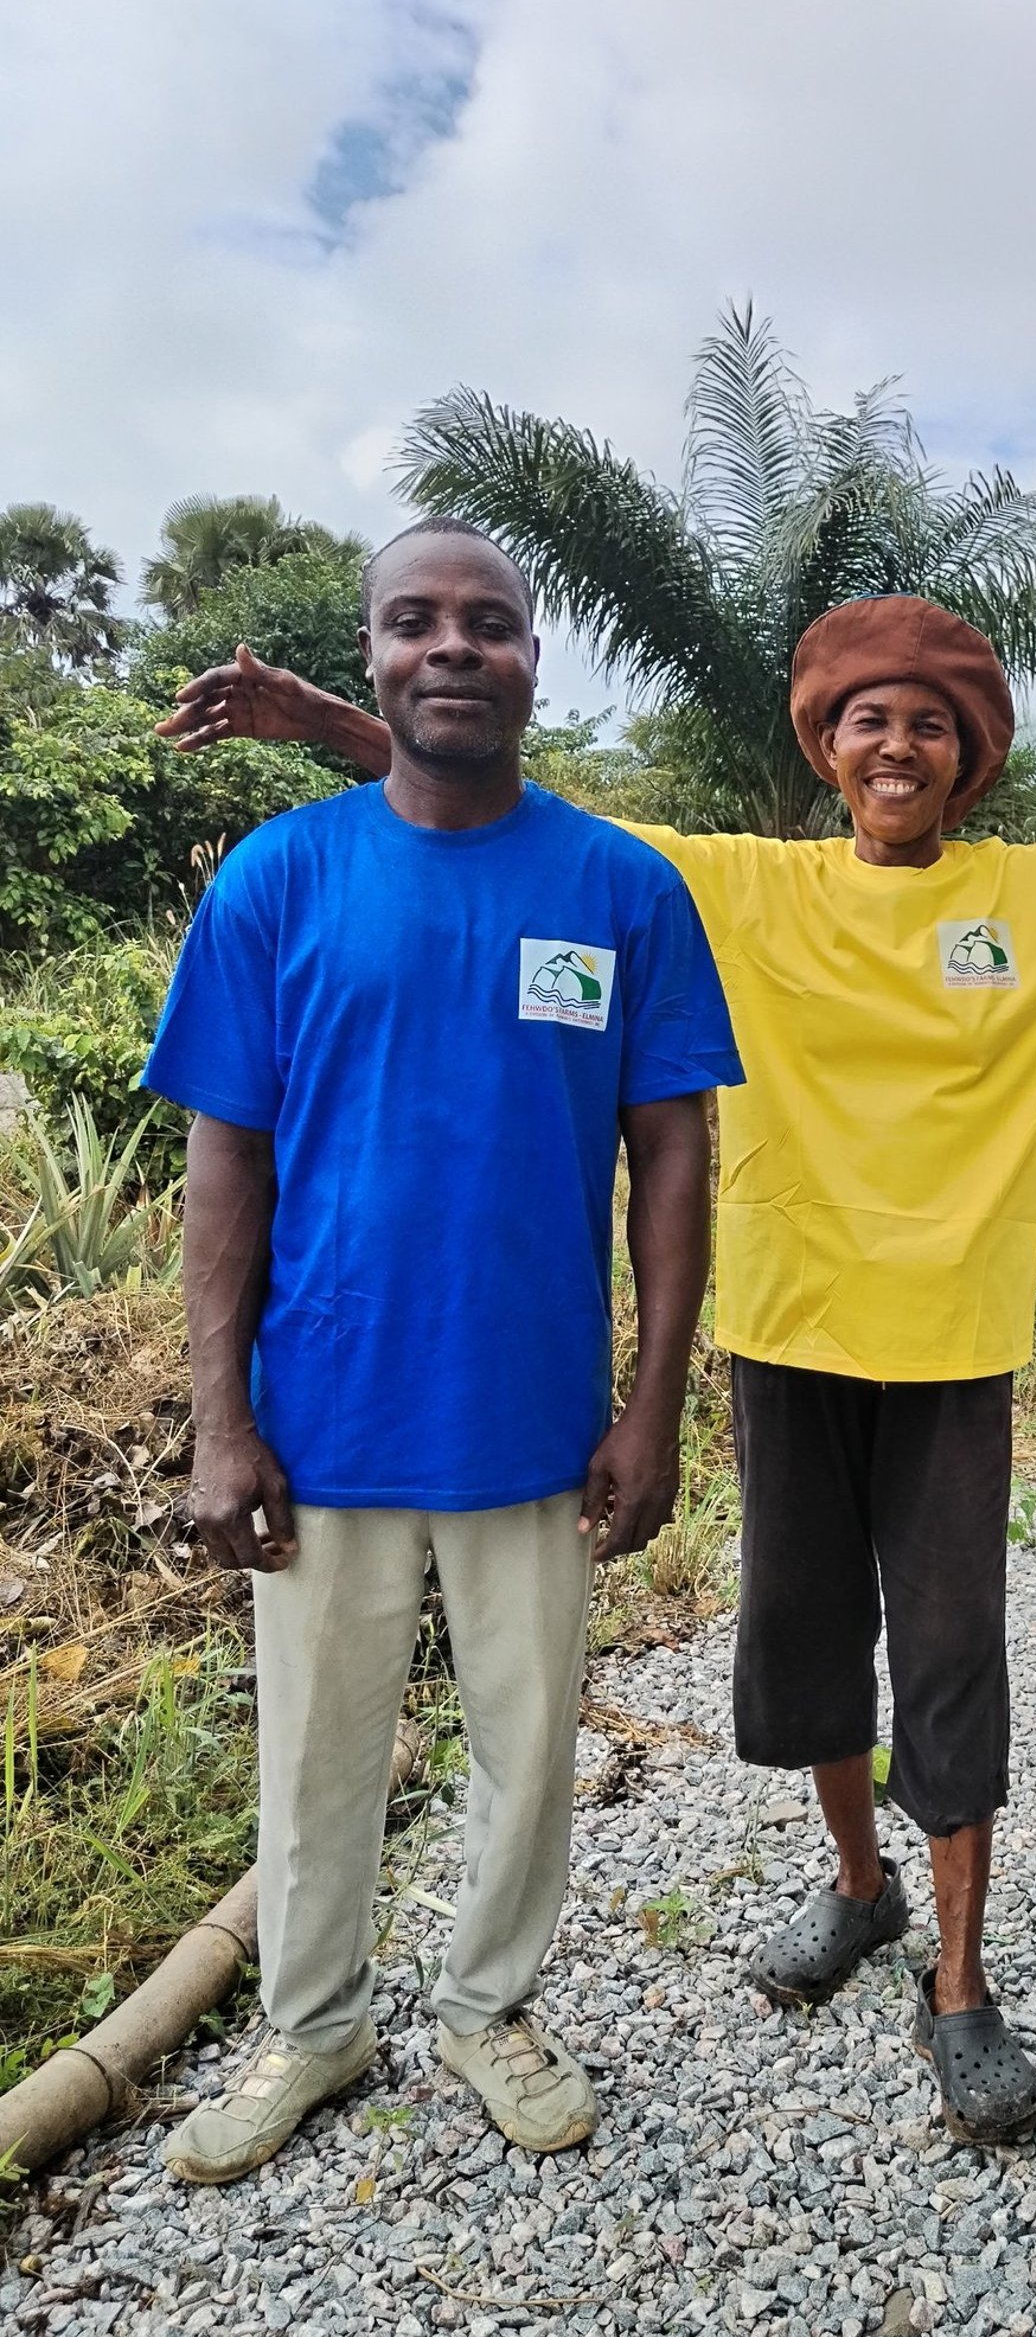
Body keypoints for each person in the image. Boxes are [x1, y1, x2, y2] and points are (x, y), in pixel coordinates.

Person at [161, 591, 1036, 2149]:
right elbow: (520, 810)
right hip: (781, 1338)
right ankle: (858, 1889)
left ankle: (963, 1982)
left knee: (950, 1660)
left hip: (953, 1355)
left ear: (970, 755)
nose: (898, 744)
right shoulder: (744, 890)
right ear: (828, 751)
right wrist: (328, 725)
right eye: (868, 720)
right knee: (801, 1649)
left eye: (930, 722)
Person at [143, 520, 742, 2184]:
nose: (454, 648)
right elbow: (225, 1163)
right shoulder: (282, 879)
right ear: (377, 659)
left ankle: (490, 2004)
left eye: (489, 623)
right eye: (416, 623)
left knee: (527, 1735)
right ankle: (313, 2027)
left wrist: (653, 1403)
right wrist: (220, 1421)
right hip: (319, 1412)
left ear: (534, 657)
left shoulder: (620, 886)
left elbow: (674, 1153)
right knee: (315, 1744)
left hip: (535, 1416)